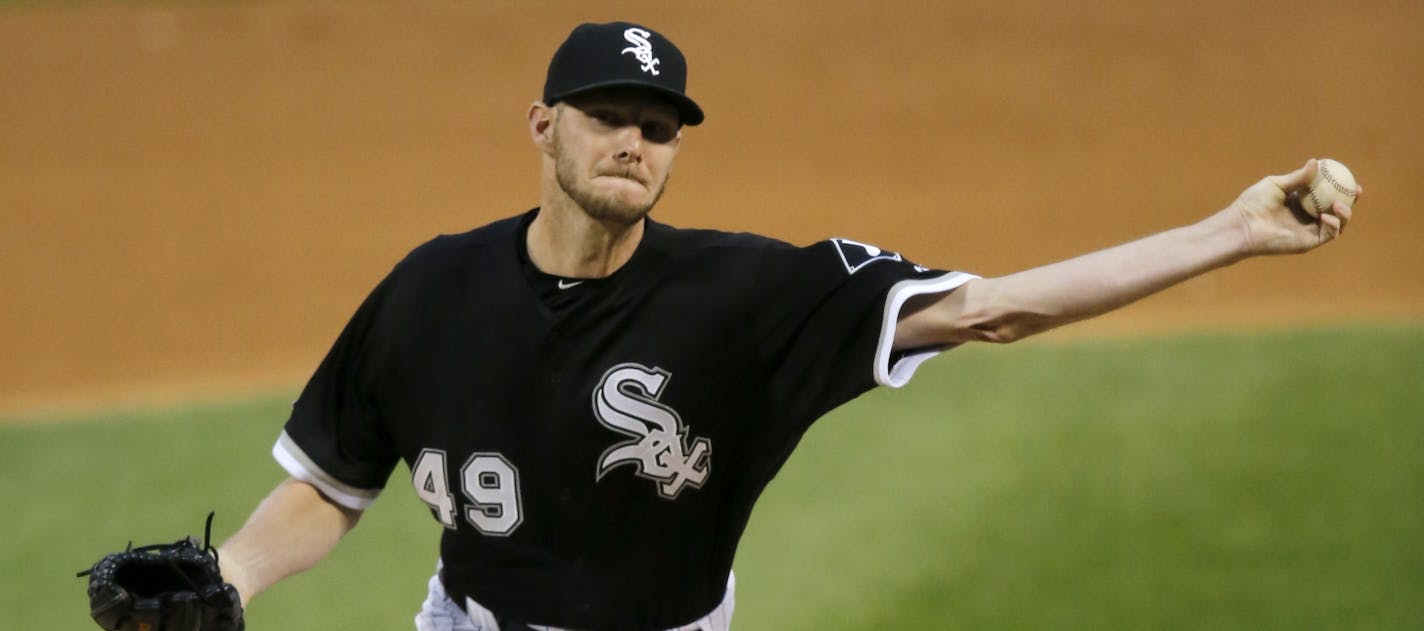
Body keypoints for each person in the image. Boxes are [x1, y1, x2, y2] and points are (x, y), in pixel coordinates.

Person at [213, 20, 1354, 631]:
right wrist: (232, 578)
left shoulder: (749, 298)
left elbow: (993, 309)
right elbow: (332, 481)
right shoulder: (431, 289)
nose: (632, 143)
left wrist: (1230, 232)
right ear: (540, 125)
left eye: (657, 128)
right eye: (607, 115)